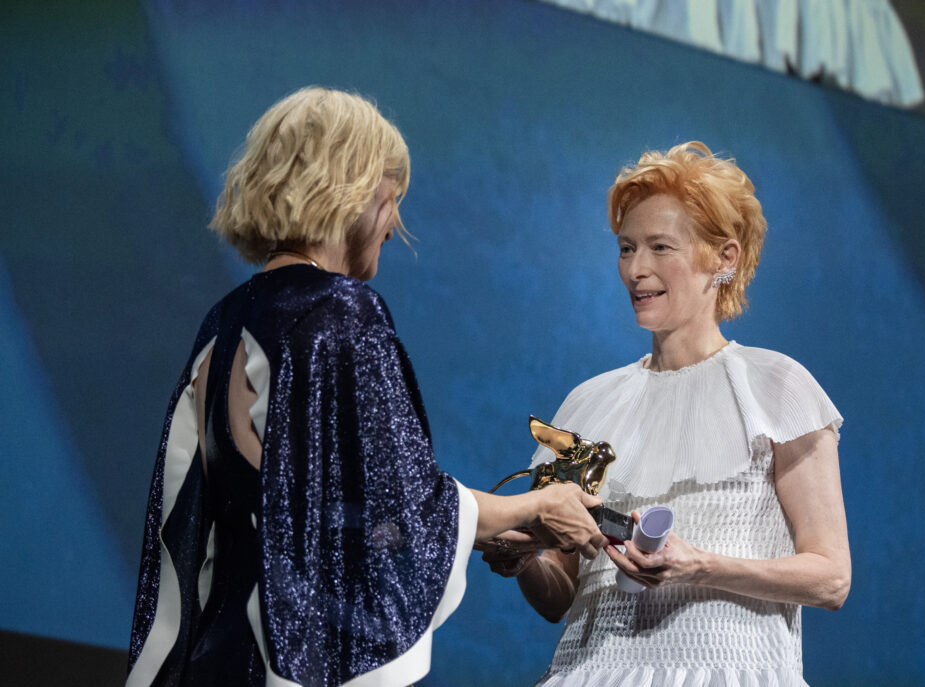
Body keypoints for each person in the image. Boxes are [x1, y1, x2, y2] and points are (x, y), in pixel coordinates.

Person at [126, 87, 607, 687]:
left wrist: (489, 525)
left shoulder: (225, 320)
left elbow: (324, 517)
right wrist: (537, 504)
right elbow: (401, 502)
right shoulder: (342, 313)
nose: (394, 223)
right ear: (348, 190)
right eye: (391, 197)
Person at [482, 142, 850, 686]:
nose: (636, 269)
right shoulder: (588, 404)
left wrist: (700, 566)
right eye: (626, 248)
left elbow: (830, 578)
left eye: (660, 247)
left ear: (724, 259)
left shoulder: (777, 387)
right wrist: (524, 559)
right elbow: (558, 598)